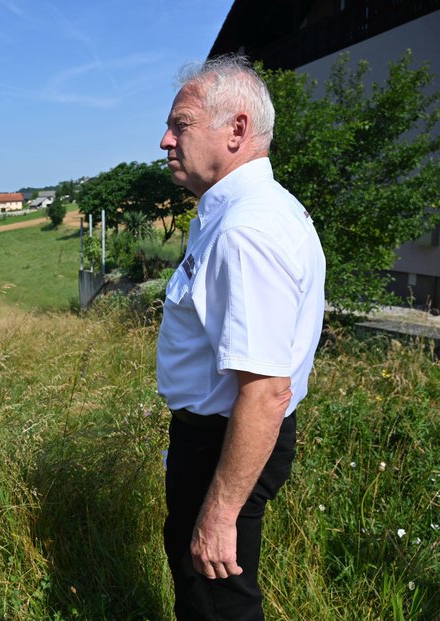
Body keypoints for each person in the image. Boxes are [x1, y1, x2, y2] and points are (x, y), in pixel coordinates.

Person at [156, 55, 325, 620]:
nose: (165, 140)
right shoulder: (249, 211)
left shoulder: (245, 230)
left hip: (226, 445)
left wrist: (220, 512)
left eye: (180, 124)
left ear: (237, 130)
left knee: (217, 604)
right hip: (221, 439)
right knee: (203, 591)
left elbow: (266, 389)